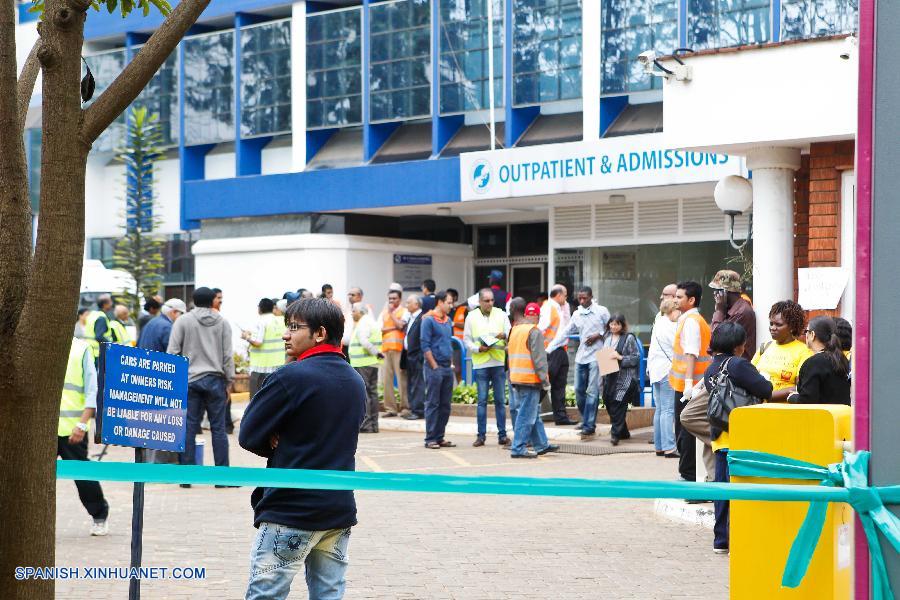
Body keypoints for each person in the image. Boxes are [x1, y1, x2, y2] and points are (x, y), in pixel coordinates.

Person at [239, 298, 365, 600]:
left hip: (292, 510)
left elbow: (248, 434)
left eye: (294, 327)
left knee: (266, 595)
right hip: (337, 510)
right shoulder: (355, 380)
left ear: (320, 333)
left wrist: (279, 439)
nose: (286, 334)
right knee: (329, 594)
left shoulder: (291, 377)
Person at [703, 322, 772, 555]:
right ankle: (741, 537)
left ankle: (721, 539)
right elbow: (765, 389)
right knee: (742, 491)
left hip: (721, 436)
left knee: (721, 491)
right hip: (741, 437)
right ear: (738, 346)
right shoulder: (737, 364)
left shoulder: (711, 368)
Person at [168, 287, 235, 482]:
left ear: (194, 300)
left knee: (189, 427)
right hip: (215, 380)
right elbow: (228, 356)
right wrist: (229, 381)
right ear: (213, 300)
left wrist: (176, 379)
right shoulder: (223, 322)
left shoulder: (183, 321)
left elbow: (172, 353)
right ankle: (222, 477)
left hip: (190, 381)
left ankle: (187, 477)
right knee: (218, 428)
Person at [58, 336, 109, 536]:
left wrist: (82, 423)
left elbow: (91, 390)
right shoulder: (38, 344)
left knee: (82, 476)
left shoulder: (81, 349)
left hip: (72, 429)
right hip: (42, 430)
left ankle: (99, 515)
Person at [546, 286, 610, 441]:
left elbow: (611, 329)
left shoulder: (601, 311)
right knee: (579, 390)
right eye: (579, 298)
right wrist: (549, 348)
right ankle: (585, 419)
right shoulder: (577, 313)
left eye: (585, 298)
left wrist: (599, 335)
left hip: (598, 355)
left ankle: (589, 425)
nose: (582, 301)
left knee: (592, 391)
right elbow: (565, 333)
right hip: (582, 356)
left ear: (591, 297)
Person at [670, 281, 712, 483]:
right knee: (683, 428)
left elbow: (691, 354)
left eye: (679, 297)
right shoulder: (688, 319)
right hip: (688, 385)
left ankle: (688, 473)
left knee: (685, 429)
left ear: (691, 300)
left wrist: (688, 383)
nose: (675, 300)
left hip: (690, 387)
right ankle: (687, 470)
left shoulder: (692, 321)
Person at [508, 302, 558, 458]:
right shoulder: (534, 331)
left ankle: (541, 444)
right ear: (536, 316)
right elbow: (539, 360)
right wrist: (545, 381)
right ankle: (518, 448)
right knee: (527, 415)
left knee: (532, 413)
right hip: (530, 379)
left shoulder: (515, 329)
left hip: (516, 377)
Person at [464, 288, 511, 447]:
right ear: (479, 301)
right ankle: (481, 436)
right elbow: (467, 340)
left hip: (497, 362)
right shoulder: (471, 317)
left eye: (492, 300)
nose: (490, 303)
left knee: (499, 401)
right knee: (482, 401)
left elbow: (509, 332)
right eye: (487, 301)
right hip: (481, 363)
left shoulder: (501, 313)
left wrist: (504, 335)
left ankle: (502, 435)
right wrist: (477, 349)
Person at [751, 300, 813, 402]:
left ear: (792, 327)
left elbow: (800, 389)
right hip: (759, 409)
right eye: (771, 323)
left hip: (785, 412)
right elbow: (750, 377)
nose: (772, 328)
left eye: (778, 325)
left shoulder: (804, 352)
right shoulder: (764, 347)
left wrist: (766, 396)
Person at [787, 316, 851, 405]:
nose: (805, 335)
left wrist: (792, 397)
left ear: (812, 335)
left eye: (806, 331)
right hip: (841, 417)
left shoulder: (813, 363)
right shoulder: (841, 359)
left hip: (822, 417)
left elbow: (806, 401)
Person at [421, 290, 455, 449]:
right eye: (448, 302)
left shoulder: (448, 321)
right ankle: (430, 438)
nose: (451, 305)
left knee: (445, 405)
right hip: (434, 368)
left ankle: (440, 436)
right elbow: (425, 345)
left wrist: (451, 363)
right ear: (440, 302)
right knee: (433, 403)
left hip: (447, 367)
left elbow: (449, 343)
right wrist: (434, 366)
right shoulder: (428, 320)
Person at [538, 284, 575, 425]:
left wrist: (565, 307)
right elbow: (541, 328)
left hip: (561, 349)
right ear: (559, 295)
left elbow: (568, 324)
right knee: (546, 383)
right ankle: (530, 410)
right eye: (565, 295)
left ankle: (561, 417)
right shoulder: (548, 308)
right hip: (551, 351)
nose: (566, 298)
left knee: (559, 385)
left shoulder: (560, 308)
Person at [600, 314, 639, 446]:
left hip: (625, 378)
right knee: (608, 401)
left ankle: (615, 435)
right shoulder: (607, 338)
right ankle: (623, 432)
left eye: (616, 324)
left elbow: (635, 358)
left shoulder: (629, 338)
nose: (613, 326)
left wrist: (621, 357)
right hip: (609, 377)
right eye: (611, 324)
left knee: (618, 403)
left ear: (622, 325)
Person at [648, 295, 679, 457]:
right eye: (677, 310)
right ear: (672, 310)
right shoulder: (671, 327)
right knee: (667, 410)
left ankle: (659, 446)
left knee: (659, 409)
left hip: (655, 371)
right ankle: (669, 447)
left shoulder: (658, 323)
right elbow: (677, 347)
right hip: (667, 370)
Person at [348, 303, 382, 433]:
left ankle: (366, 425)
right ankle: (374, 424)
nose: (352, 313)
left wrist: (375, 352)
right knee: (372, 393)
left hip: (363, 363)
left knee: (365, 394)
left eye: (354, 311)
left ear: (360, 312)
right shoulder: (371, 322)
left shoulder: (363, 323)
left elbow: (364, 341)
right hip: (372, 363)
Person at [242, 298, 287, 398]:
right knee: (274, 398)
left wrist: (246, 337)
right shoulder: (281, 320)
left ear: (260, 308)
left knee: (257, 399)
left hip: (260, 367)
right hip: (278, 365)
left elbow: (258, 342)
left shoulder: (261, 321)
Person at [709, 270, 756, 359]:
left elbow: (717, 339)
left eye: (717, 291)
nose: (714, 294)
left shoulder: (741, 312)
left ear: (725, 292)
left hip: (736, 366)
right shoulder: (729, 308)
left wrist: (719, 311)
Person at [380, 287, 410, 417]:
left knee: (402, 379)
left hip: (399, 350)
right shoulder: (384, 312)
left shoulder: (404, 311)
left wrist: (392, 315)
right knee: (387, 381)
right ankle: (390, 409)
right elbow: (380, 329)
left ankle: (405, 408)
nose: (392, 301)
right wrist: (392, 326)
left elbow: (400, 326)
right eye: (390, 298)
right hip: (386, 349)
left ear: (400, 299)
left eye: (394, 298)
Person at [403, 295, 426, 420]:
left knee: (417, 384)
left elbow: (423, 338)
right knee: (411, 383)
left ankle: (418, 410)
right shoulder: (410, 317)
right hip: (410, 355)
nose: (406, 305)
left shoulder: (422, 318)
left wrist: (421, 356)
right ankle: (413, 408)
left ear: (416, 305)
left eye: (409, 302)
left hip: (417, 355)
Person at [84, 294, 113, 361]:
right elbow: (99, 336)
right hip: (99, 354)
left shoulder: (92, 314)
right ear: (105, 304)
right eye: (110, 302)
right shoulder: (101, 317)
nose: (112, 304)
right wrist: (111, 344)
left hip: (90, 352)